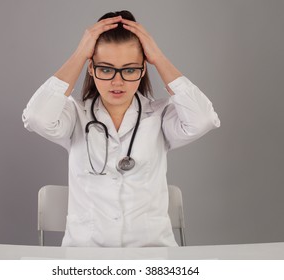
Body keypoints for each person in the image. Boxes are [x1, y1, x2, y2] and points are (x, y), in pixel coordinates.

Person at [22, 10, 220, 247]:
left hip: (153, 258)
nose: (118, 82)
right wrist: (79, 54)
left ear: (143, 69)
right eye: (106, 69)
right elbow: (36, 117)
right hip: (84, 261)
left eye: (129, 69)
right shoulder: (74, 115)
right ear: (91, 68)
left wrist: (158, 57)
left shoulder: (160, 115)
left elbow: (203, 119)